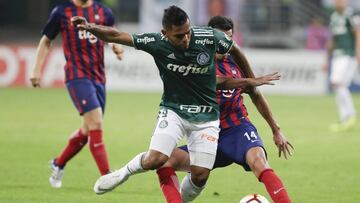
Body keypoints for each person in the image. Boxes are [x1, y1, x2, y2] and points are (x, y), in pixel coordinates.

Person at [71, 5, 280, 200]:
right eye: (179, 36)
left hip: (206, 116)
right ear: (165, 34)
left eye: (188, 32)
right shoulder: (156, 42)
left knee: (199, 176)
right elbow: (116, 35)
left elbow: (235, 50)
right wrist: (89, 27)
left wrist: (250, 78)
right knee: (156, 159)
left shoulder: (208, 38)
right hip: (174, 111)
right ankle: (123, 173)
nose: (186, 38)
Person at [155, 16, 293, 203]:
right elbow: (217, 82)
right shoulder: (194, 62)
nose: (224, 45)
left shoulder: (236, 62)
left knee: (260, 162)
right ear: (210, 37)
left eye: (229, 39)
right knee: (165, 161)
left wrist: (276, 130)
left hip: (237, 129)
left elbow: (255, 93)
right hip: (204, 133)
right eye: (221, 39)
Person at [29, 0, 124, 188]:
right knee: (96, 121)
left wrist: (116, 46)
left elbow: (111, 33)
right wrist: (36, 70)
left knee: (88, 130)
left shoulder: (104, 12)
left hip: (98, 77)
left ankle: (58, 163)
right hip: (76, 76)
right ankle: (107, 176)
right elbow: (46, 40)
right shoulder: (62, 12)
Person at [324, 0, 360, 132]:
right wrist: (326, 59)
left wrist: (358, 52)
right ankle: (346, 117)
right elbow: (332, 39)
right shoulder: (334, 17)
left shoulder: (350, 16)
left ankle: (349, 115)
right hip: (337, 55)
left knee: (337, 82)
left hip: (348, 55)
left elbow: (357, 33)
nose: (339, 3)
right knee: (340, 85)